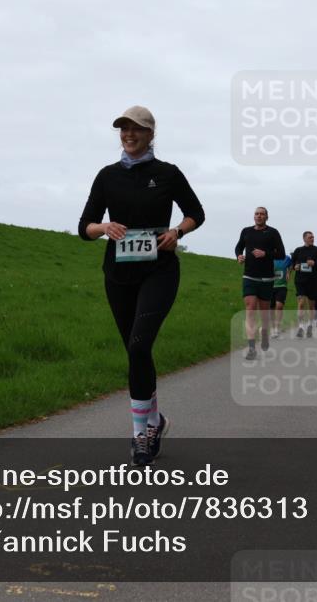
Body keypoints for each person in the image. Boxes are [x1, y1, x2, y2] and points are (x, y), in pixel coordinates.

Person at [79, 105, 204, 467]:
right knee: (136, 352)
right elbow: (84, 226)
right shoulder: (106, 176)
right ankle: (155, 420)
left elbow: (197, 211)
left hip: (159, 271)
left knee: (138, 345)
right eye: (123, 130)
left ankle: (141, 434)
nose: (129, 135)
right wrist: (104, 228)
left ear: (151, 134)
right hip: (118, 274)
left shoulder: (167, 173)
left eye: (137, 129)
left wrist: (177, 231)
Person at [235, 207, 285, 359]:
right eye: (256, 213)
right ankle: (251, 348)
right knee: (250, 309)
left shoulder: (273, 233)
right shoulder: (246, 231)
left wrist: (265, 254)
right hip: (249, 276)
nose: (259, 216)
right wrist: (239, 256)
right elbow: (239, 247)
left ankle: (264, 334)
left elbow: (281, 254)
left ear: (267, 217)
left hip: (266, 278)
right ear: (254, 216)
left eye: (262, 214)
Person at [291, 231, 317, 338]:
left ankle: (310, 326)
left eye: (313, 237)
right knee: (301, 303)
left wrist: (314, 263)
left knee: (311, 306)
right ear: (304, 239)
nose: (312, 239)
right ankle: (301, 327)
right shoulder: (298, 250)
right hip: (300, 281)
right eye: (310, 237)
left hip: (312, 282)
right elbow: (293, 264)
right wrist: (295, 267)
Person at [270, 252, 292, 338]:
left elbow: (291, 265)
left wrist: (288, 272)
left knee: (279, 306)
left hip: (282, 286)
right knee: (271, 308)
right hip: (270, 286)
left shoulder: (286, 258)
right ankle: (272, 327)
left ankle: (277, 328)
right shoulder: (269, 257)